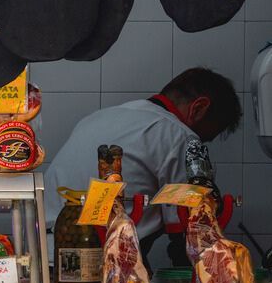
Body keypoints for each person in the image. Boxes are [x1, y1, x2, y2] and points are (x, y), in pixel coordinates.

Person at [44, 68, 242, 256]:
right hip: (101, 264)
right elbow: (188, 236)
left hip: (46, 255)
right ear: (198, 108)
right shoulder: (180, 136)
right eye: (205, 135)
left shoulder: (98, 117)